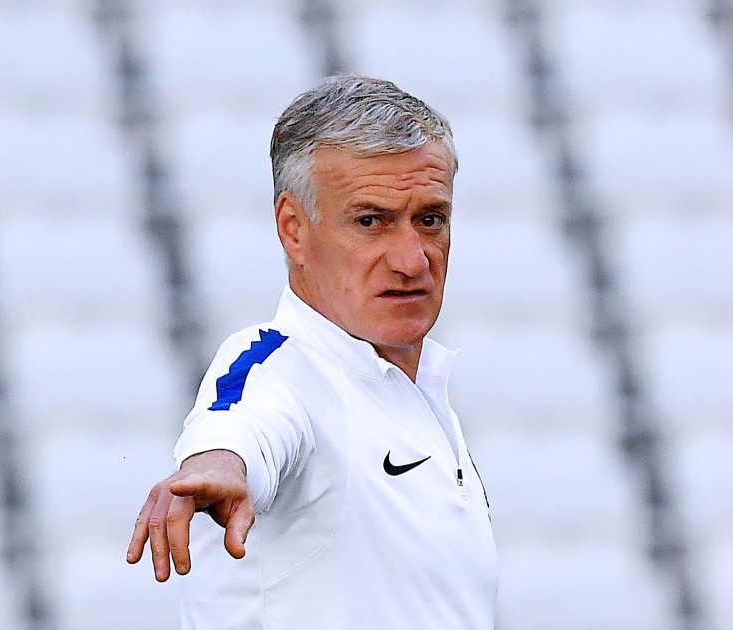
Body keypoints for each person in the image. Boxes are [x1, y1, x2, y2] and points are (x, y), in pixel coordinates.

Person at [127, 75, 498, 629]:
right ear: (293, 229)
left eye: (430, 220)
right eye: (370, 221)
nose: (413, 260)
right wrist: (218, 465)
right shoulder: (284, 367)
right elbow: (243, 422)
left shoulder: (419, 394)